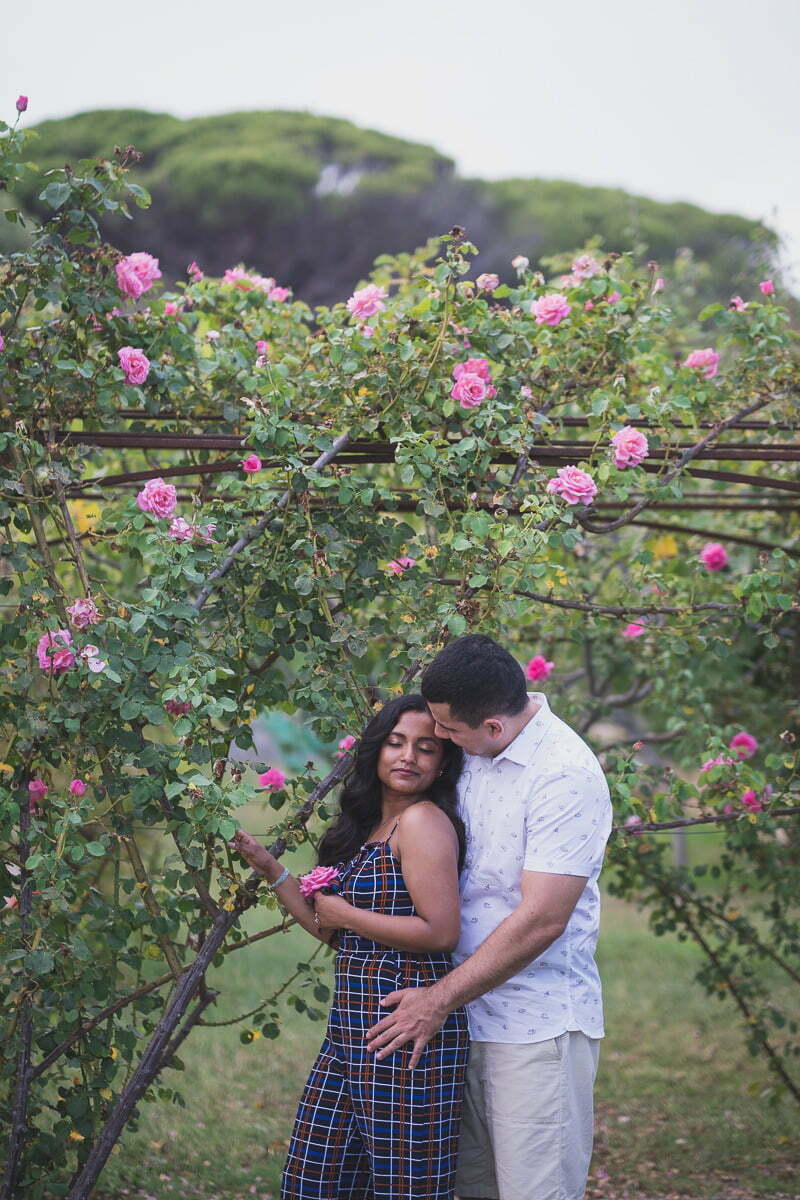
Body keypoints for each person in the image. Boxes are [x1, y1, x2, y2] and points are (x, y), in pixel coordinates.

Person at [366, 634, 613, 1200]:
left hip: (533, 1028)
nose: (440, 737)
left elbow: (543, 917)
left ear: (494, 726)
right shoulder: (475, 752)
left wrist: (436, 1000)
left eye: (448, 729)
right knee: (469, 1188)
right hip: (460, 1023)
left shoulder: (564, 774)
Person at [230, 694, 470, 1200]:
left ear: (443, 762)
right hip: (349, 1030)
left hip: (403, 1031)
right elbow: (335, 931)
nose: (408, 757)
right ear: (376, 750)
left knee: (405, 1188)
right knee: (314, 1181)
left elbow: (441, 931)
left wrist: (346, 914)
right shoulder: (370, 827)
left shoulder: (423, 822)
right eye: (396, 743)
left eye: (426, 748)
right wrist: (271, 869)